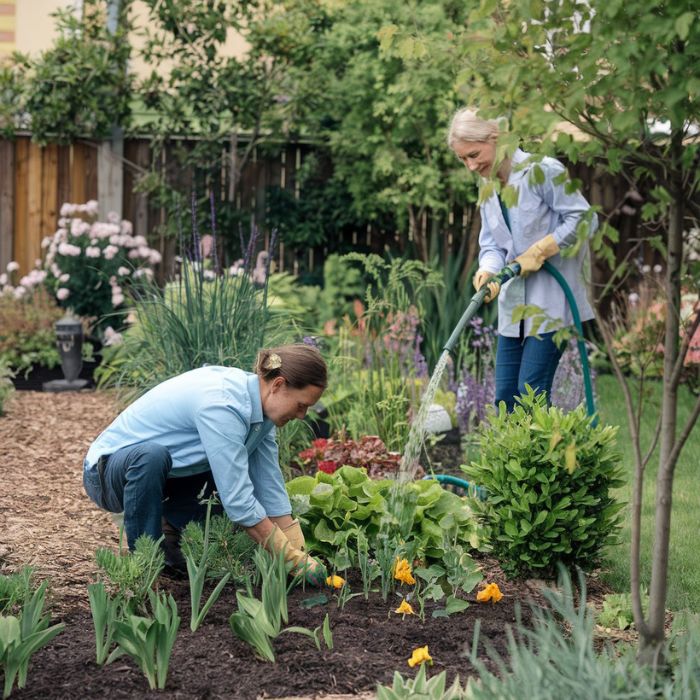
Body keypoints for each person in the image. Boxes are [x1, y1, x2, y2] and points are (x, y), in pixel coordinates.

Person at [83, 343, 327, 584]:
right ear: (278, 385)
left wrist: (300, 554)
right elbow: (240, 503)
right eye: (301, 405)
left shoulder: (262, 413)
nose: (302, 415)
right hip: (109, 474)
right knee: (152, 456)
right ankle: (143, 567)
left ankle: (169, 536)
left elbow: (269, 485)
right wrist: (292, 559)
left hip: (170, 477)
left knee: (206, 552)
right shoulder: (224, 405)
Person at [447, 108, 596, 412]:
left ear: (497, 138)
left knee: (531, 394)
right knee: (505, 398)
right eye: (463, 159)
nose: (471, 166)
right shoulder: (487, 185)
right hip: (514, 306)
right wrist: (487, 270)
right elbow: (491, 241)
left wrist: (542, 249)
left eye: (474, 154)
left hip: (552, 304)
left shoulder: (543, 170)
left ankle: (541, 459)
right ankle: (513, 459)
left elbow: (584, 219)